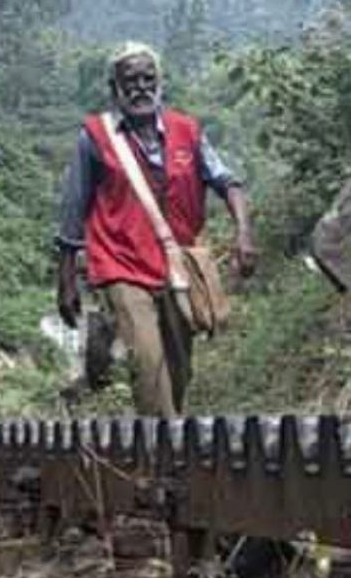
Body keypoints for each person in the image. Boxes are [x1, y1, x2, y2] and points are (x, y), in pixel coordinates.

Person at [55, 42, 256, 417]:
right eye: (130, 81)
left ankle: (168, 438)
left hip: (176, 265)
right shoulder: (95, 137)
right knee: (147, 359)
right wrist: (66, 279)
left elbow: (227, 182)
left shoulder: (187, 131)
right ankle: (165, 457)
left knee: (179, 365)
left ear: (160, 84)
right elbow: (73, 207)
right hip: (120, 264)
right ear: (114, 88)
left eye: (149, 79)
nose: (140, 88)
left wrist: (244, 232)